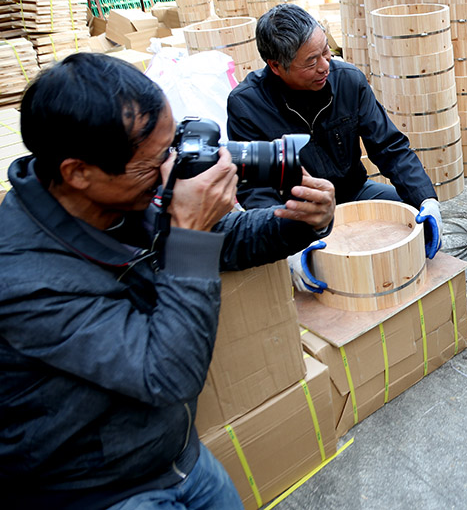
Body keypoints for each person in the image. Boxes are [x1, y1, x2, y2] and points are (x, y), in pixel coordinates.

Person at [0, 53, 336, 509]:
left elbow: (229, 239)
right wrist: (190, 233)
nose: (171, 169)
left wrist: (301, 222)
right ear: (77, 172)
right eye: (154, 160)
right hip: (99, 491)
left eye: (172, 146)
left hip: (177, 454)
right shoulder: (23, 280)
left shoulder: (128, 193)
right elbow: (167, 373)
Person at [227, 3, 442, 266]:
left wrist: (426, 198)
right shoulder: (247, 106)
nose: (324, 66)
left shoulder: (348, 80)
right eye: (311, 61)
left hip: (354, 192)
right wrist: (284, 242)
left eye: (326, 50)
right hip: (299, 213)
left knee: (417, 220)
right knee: (314, 269)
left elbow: (390, 146)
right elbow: (255, 190)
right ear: (276, 66)